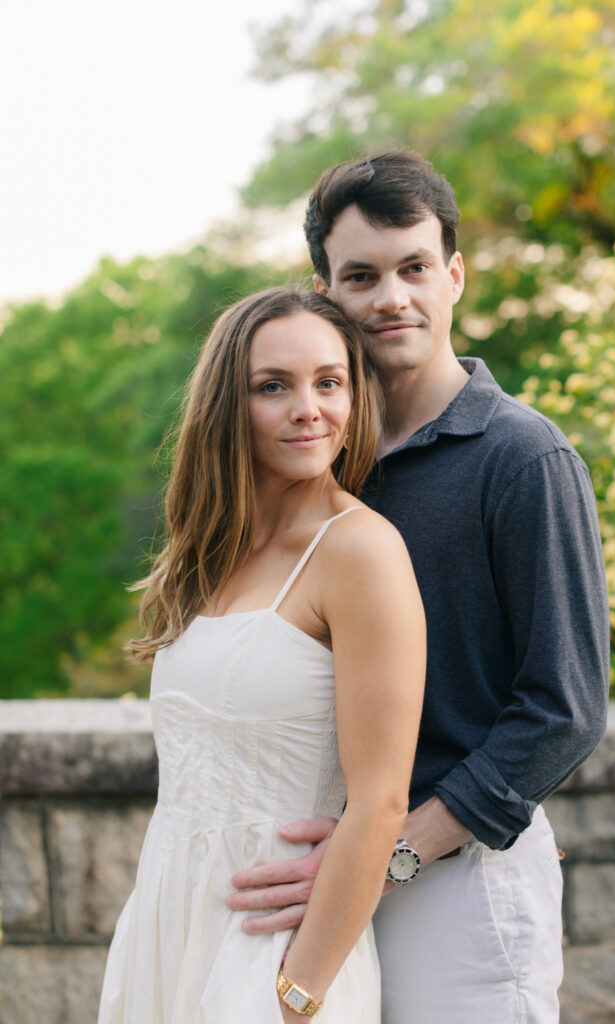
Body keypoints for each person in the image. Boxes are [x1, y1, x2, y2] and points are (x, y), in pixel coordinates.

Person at [226, 152, 611, 1023]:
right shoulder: (323, 457)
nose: (390, 297)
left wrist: (393, 854)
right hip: (328, 880)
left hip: (458, 887)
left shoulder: (524, 459)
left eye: (414, 268)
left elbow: (564, 708)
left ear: (454, 276)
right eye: (360, 276)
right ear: (323, 288)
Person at [97, 287, 426, 1022]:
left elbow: (380, 802)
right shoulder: (211, 549)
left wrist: (296, 994)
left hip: (273, 955)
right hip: (170, 921)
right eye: (272, 386)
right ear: (226, 406)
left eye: (328, 381)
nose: (308, 407)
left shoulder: (361, 552)